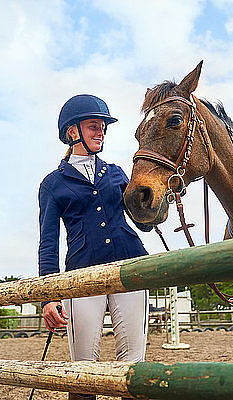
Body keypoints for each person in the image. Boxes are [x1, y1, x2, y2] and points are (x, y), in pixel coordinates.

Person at [39, 94, 152, 400]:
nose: (101, 131)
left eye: (103, 126)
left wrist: (157, 201)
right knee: (83, 370)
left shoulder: (116, 172)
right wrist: (49, 297)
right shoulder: (53, 183)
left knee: (132, 366)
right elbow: (48, 243)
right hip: (81, 277)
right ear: (72, 131)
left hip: (130, 269)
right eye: (93, 126)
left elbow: (142, 221)